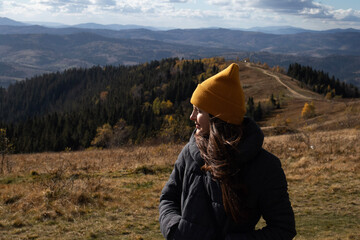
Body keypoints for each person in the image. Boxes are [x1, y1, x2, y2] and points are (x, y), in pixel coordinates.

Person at [159, 63, 296, 240]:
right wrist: (175, 230)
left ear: (218, 117)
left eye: (199, 110)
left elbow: (283, 228)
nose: (191, 117)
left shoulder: (264, 166)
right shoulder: (190, 151)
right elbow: (168, 198)